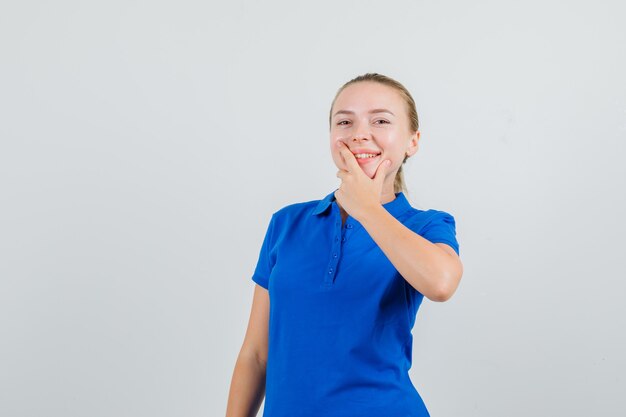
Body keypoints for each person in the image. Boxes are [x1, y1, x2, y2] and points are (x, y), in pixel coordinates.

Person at [226, 73, 464, 417]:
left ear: (413, 141)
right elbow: (256, 354)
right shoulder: (286, 223)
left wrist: (367, 207)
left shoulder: (427, 225)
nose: (359, 133)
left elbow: (442, 283)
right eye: (344, 121)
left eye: (380, 120)